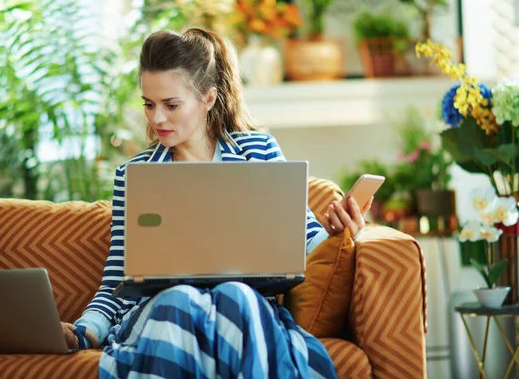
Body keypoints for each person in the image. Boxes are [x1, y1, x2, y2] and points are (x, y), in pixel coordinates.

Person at [61, 27, 371, 378]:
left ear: (208, 98)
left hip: (244, 304)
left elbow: (308, 243)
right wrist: (84, 330)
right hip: (162, 310)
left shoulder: (259, 152)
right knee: (181, 299)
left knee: (236, 295)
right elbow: (116, 280)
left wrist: (341, 232)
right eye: (149, 104)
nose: (156, 118)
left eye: (171, 104)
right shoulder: (134, 174)